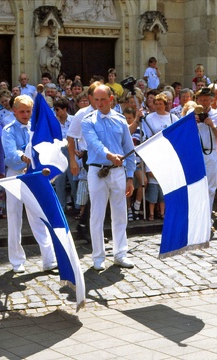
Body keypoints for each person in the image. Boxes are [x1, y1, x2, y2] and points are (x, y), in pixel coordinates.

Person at [81, 84, 136, 270]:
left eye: (103, 99)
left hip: (118, 172)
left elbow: (129, 149)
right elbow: (94, 144)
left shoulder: (120, 120)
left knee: (120, 214)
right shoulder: (88, 121)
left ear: (111, 99)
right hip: (97, 171)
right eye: (96, 100)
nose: (99, 103)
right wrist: (109, 155)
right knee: (97, 214)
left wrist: (130, 177)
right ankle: (98, 256)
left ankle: (120, 253)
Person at [1, 95, 57, 273]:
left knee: (38, 215)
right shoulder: (8, 130)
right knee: (14, 217)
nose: (25, 114)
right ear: (14, 111)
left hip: (34, 174)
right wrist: (24, 157)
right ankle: (17, 261)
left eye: (28, 111)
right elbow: (10, 152)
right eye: (22, 111)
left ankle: (49, 259)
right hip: (16, 174)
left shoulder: (36, 128)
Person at [194, 87, 217, 228]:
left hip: (211, 152)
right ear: (197, 100)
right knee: (196, 187)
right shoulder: (191, 114)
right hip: (195, 153)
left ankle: (207, 219)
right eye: (201, 99)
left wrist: (212, 126)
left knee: (211, 187)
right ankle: (197, 219)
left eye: (206, 99)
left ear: (212, 100)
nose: (204, 102)